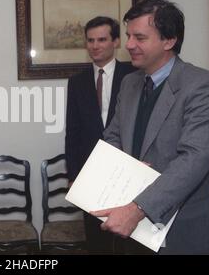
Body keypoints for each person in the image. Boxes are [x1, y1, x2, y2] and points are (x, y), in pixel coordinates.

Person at [91, 0, 209, 254]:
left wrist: (138, 208)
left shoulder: (203, 85)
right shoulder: (129, 83)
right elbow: (113, 137)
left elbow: (195, 158)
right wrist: (124, 168)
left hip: (182, 234)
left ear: (169, 40)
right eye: (129, 36)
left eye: (139, 38)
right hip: (130, 235)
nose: (129, 44)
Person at [65, 16, 135, 254]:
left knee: (129, 240)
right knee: (97, 241)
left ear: (115, 41)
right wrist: (74, 175)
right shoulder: (76, 82)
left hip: (128, 170)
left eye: (102, 39)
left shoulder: (134, 75)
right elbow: (72, 132)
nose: (95, 45)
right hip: (90, 172)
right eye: (91, 40)